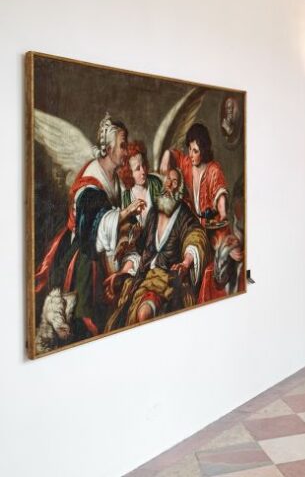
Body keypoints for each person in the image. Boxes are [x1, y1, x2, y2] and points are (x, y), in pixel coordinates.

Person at [34, 113, 145, 339]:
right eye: (122, 146)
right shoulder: (91, 180)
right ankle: (87, 321)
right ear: (108, 148)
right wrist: (126, 213)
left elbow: (121, 208)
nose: (126, 152)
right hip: (84, 249)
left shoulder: (115, 177)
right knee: (88, 279)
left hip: (107, 246)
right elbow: (93, 224)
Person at [105, 168, 209, 329]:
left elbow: (195, 237)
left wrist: (186, 263)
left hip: (167, 279)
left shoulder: (183, 214)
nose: (170, 185)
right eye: (168, 180)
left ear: (179, 189)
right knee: (117, 323)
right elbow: (139, 251)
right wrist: (123, 272)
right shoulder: (153, 213)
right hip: (144, 278)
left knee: (144, 313)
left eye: (175, 182)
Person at [160, 122, 242, 302]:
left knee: (224, 258)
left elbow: (220, 194)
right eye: (189, 149)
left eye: (195, 150)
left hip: (213, 228)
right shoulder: (188, 164)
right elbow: (173, 155)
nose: (191, 154)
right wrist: (166, 160)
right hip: (193, 227)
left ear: (203, 150)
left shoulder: (213, 170)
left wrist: (221, 210)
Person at [118, 141, 162, 226]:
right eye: (137, 169)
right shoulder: (125, 197)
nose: (143, 171)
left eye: (143, 165)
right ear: (129, 173)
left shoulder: (156, 184)